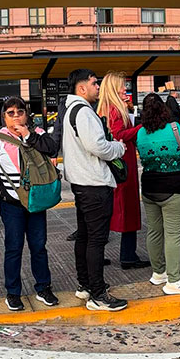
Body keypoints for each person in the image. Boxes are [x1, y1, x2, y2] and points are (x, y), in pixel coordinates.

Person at [0, 96, 61, 311]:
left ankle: (43, 287)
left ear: (27, 114)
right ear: (3, 117)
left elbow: (52, 148)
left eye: (20, 111)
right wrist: (3, 193)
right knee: (13, 247)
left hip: (36, 201)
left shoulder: (39, 135)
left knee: (39, 246)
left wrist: (28, 135)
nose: (16, 116)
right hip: (12, 204)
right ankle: (13, 292)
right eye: (10, 113)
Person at [62, 68, 129, 311]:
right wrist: (118, 147)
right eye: (94, 83)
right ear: (82, 88)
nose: (98, 87)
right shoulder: (84, 112)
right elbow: (97, 146)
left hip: (81, 183)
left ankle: (86, 285)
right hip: (94, 184)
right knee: (96, 240)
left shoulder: (70, 110)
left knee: (85, 235)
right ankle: (98, 295)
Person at [135, 94, 180, 295]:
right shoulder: (175, 129)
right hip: (172, 188)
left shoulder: (141, 134)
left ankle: (158, 273)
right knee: (173, 235)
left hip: (149, 188)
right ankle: (174, 280)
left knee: (154, 231)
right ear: (164, 109)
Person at [98, 73, 148, 270]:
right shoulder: (115, 109)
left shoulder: (105, 107)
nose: (125, 89)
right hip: (123, 162)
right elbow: (119, 135)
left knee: (109, 211)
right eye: (122, 86)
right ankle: (128, 255)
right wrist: (139, 128)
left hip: (113, 163)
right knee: (128, 208)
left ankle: (101, 254)